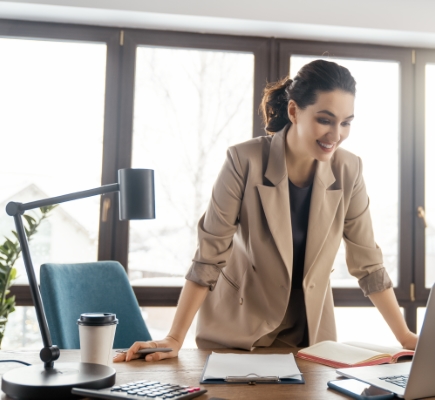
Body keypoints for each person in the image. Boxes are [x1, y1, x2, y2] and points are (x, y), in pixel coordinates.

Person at [114, 59, 418, 363]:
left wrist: (405, 337)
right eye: (325, 120)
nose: (335, 134)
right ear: (294, 111)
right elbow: (209, 256)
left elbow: (369, 264)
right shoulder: (243, 161)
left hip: (310, 344)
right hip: (238, 336)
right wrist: (175, 337)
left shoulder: (349, 169)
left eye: (346, 122)